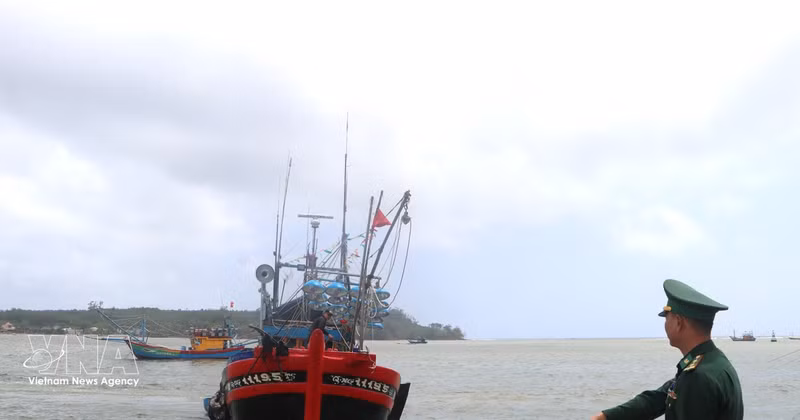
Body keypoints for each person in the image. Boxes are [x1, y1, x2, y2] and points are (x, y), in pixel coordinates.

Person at [591, 279, 743, 420]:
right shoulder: (713, 361)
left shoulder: (698, 377)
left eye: (666, 318)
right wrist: (607, 416)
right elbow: (660, 397)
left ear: (678, 322)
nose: (664, 324)